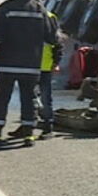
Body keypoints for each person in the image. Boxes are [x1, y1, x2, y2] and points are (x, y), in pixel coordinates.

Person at [0, 0, 58, 147]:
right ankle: (28, 135)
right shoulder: (40, 9)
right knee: (29, 99)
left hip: (6, 63)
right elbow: (51, 38)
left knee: (2, 98)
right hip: (31, 64)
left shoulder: (5, 8)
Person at [36, 9, 63, 139]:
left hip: (44, 64)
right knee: (30, 97)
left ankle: (48, 126)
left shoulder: (50, 17)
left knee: (45, 98)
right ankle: (28, 124)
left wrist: (56, 62)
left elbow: (57, 42)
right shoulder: (45, 15)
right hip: (32, 63)